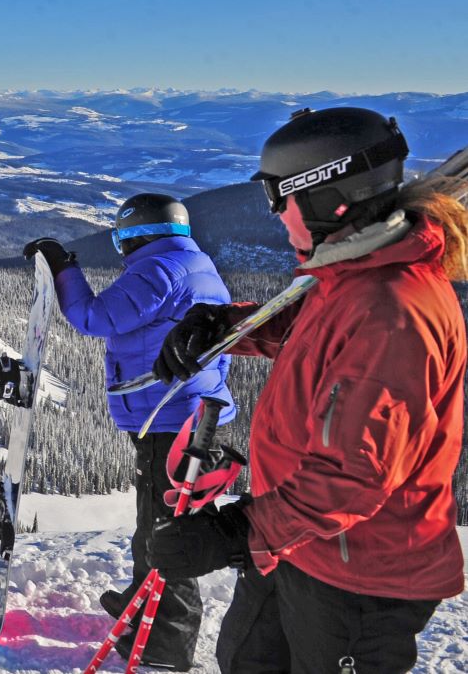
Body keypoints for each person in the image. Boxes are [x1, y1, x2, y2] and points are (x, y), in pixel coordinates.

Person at [147, 106, 466, 673]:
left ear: (326, 199)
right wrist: (222, 325)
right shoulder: (352, 274)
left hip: (360, 578)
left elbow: (352, 477)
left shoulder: (393, 311)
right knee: (245, 659)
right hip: (299, 544)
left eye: (279, 196)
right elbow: (309, 335)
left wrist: (234, 532)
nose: (274, 213)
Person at [22, 193, 236, 671]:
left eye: (121, 237)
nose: (120, 247)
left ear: (136, 233)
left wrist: (64, 266)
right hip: (183, 415)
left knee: (170, 534)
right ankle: (145, 608)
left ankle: (165, 647)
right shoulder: (192, 263)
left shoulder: (159, 270)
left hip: (170, 418)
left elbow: (93, 317)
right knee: (158, 527)